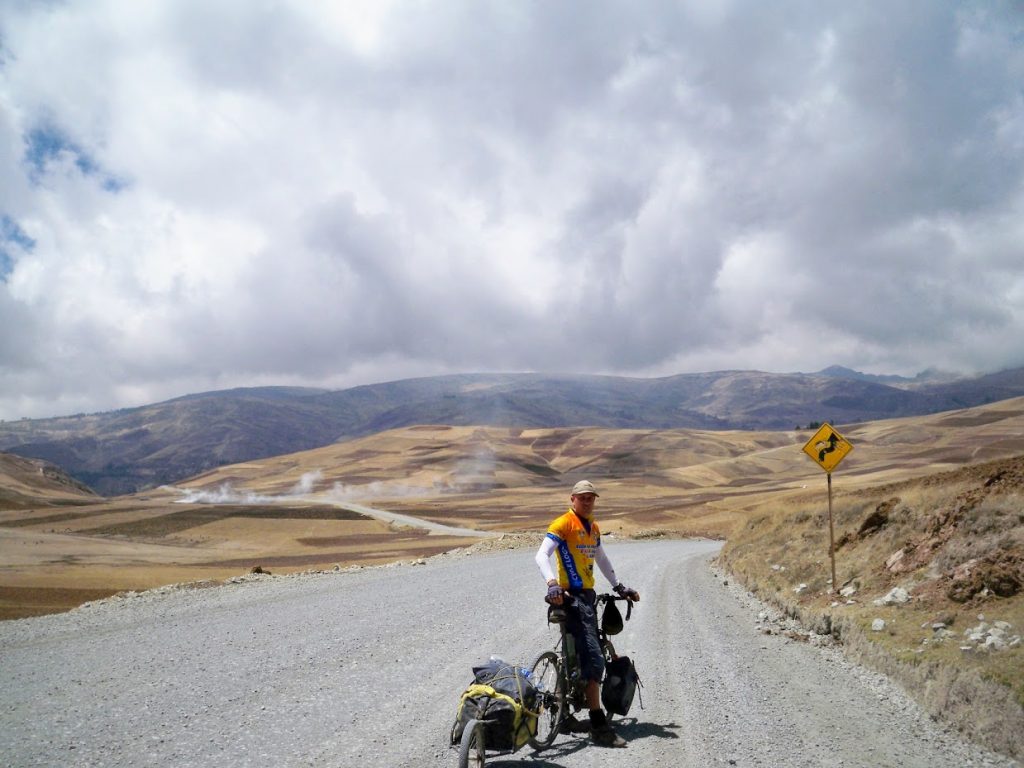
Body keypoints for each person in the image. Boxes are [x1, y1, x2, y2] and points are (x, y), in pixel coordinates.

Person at [534, 479, 640, 748]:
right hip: (569, 597)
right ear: (572, 499)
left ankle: (565, 715)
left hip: (588, 597)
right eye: (582, 497)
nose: (587, 501)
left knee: (575, 655)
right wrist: (552, 583)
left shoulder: (593, 527)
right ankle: (598, 726)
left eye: (591, 497)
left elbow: (601, 559)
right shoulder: (563, 524)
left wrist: (619, 586)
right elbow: (541, 555)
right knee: (594, 660)